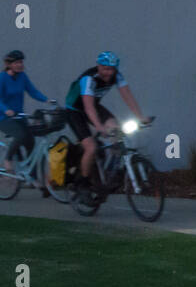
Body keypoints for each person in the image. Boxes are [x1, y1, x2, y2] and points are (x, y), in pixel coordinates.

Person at [64, 51, 150, 188]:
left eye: (112, 69)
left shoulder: (117, 76)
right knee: (91, 147)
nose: (108, 73)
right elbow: (88, 107)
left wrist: (140, 117)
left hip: (94, 105)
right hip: (75, 111)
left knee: (117, 131)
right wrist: (98, 126)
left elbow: (127, 95)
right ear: (98, 66)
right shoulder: (89, 79)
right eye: (105, 69)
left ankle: (109, 172)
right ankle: (83, 183)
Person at [0, 50, 52, 185]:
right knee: (20, 135)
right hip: (1, 116)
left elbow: (32, 91)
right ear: (9, 64)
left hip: (18, 115)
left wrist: (47, 100)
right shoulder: (1, 78)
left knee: (31, 141)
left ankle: (31, 177)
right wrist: (6, 110)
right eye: (17, 62)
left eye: (21, 62)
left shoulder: (22, 77)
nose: (20, 65)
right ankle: (8, 160)